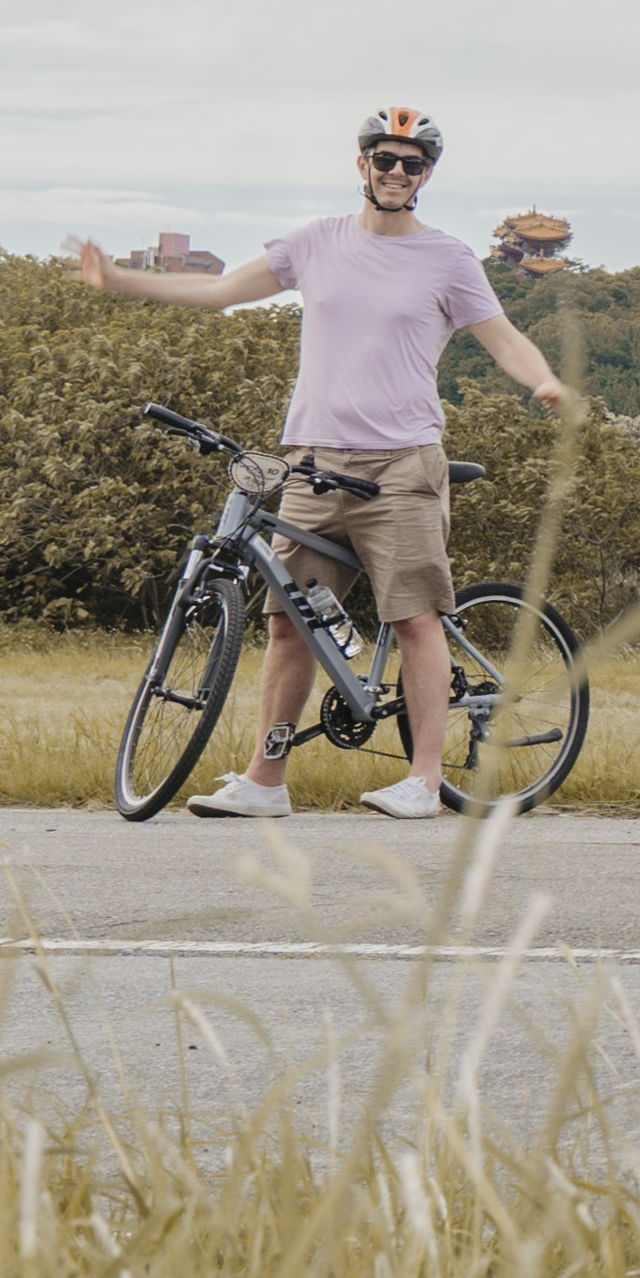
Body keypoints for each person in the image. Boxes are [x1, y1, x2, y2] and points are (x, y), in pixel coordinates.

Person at [69, 106, 577, 821]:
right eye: (384, 158)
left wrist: (544, 380)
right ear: (361, 164)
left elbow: (502, 337)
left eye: (411, 163)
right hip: (309, 461)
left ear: (426, 174)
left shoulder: (448, 258)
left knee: (414, 619)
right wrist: (120, 279)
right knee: (289, 621)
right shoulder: (316, 242)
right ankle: (264, 780)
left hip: (402, 461)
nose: (396, 172)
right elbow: (219, 292)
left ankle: (424, 781)